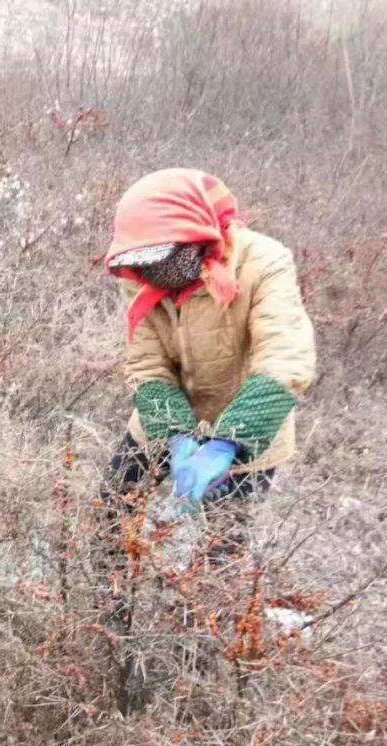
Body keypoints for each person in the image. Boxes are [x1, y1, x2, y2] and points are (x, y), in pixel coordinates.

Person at [101, 168, 316, 558]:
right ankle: (110, 607)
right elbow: (148, 363)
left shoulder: (264, 263)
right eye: (141, 264)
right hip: (166, 412)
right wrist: (176, 436)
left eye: (159, 261)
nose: (151, 275)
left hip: (251, 424)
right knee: (112, 510)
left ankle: (200, 617)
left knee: (222, 551)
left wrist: (229, 442)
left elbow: (285, 357)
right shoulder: (142, 276)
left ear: (194, 237)